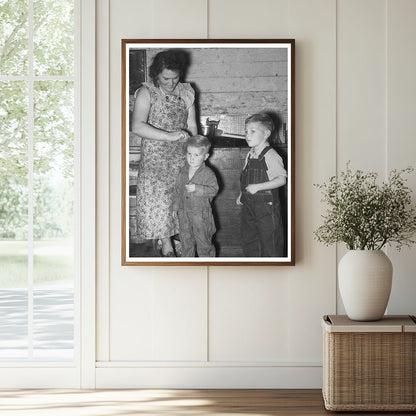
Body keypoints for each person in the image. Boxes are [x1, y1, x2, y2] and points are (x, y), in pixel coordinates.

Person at [131, 49, 198, 257]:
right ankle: (167, 245)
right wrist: (169, 136)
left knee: (179, 200)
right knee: (159, 201)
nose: (171, 83)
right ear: (156, 75)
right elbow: (138, 126)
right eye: (166, 78)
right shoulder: (146, 93)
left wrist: (196, 151)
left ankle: (181, 243)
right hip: (155, 158)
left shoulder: (186, 92)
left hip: (181, 156)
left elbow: (192, 126)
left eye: (175, 77)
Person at [236, 113, 287, 257]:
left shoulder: (271, 155)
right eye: (246, 131)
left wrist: (258, 187)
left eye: (253, 131)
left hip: (266, 208)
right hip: (249, 206)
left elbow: (281, 180)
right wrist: (242, 194)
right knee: (250, 239)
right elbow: (245, 179)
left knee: (269, 240)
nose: (247, 135)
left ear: (266, 133)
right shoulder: (250, 154)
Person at [172, 135, 219, 257]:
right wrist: (175, 207)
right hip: (184, 214)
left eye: (196, 155)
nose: (191, 158)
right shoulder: (182, 171)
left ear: (205, 156)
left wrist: (198, 188)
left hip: (201, 216)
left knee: (204, 244)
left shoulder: (208, 173)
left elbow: (214, 190)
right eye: (189, 154)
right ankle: (188, 268)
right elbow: (177, 190)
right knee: (186, 243)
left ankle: (207, 267)